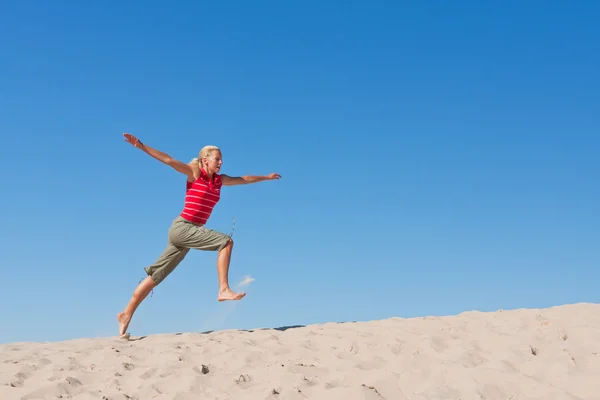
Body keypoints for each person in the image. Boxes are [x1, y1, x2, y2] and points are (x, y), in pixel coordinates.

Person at [117, 132, 282, 338]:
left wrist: (266, 177)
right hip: (183, 227)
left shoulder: (220, 181)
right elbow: (168, 160)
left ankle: (126, 314)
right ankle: (223, 289)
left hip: (189, 233)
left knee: (156, 276)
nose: (221, 162)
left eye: (221, 159)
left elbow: (245, 180)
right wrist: (141, 147)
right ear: (205, 160)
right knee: (226, 241)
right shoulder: (195, 173)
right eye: (217, 159)